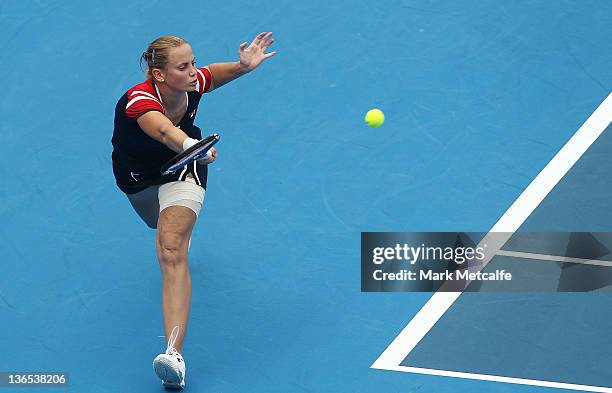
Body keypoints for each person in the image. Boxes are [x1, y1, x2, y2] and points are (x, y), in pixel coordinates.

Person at [111, 33, 276, 389]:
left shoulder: (190, 84)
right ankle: (177, 233)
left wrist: (243, 67)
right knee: (160, 228)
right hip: (139, 178)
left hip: (183, 166)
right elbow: (164, 131)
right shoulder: (138, 102)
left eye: (192, 62)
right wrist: (191, 144)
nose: (192, 71)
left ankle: (173, 355)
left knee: (170, 249)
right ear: (159, 75)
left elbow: (212, 75)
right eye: (183, 66)